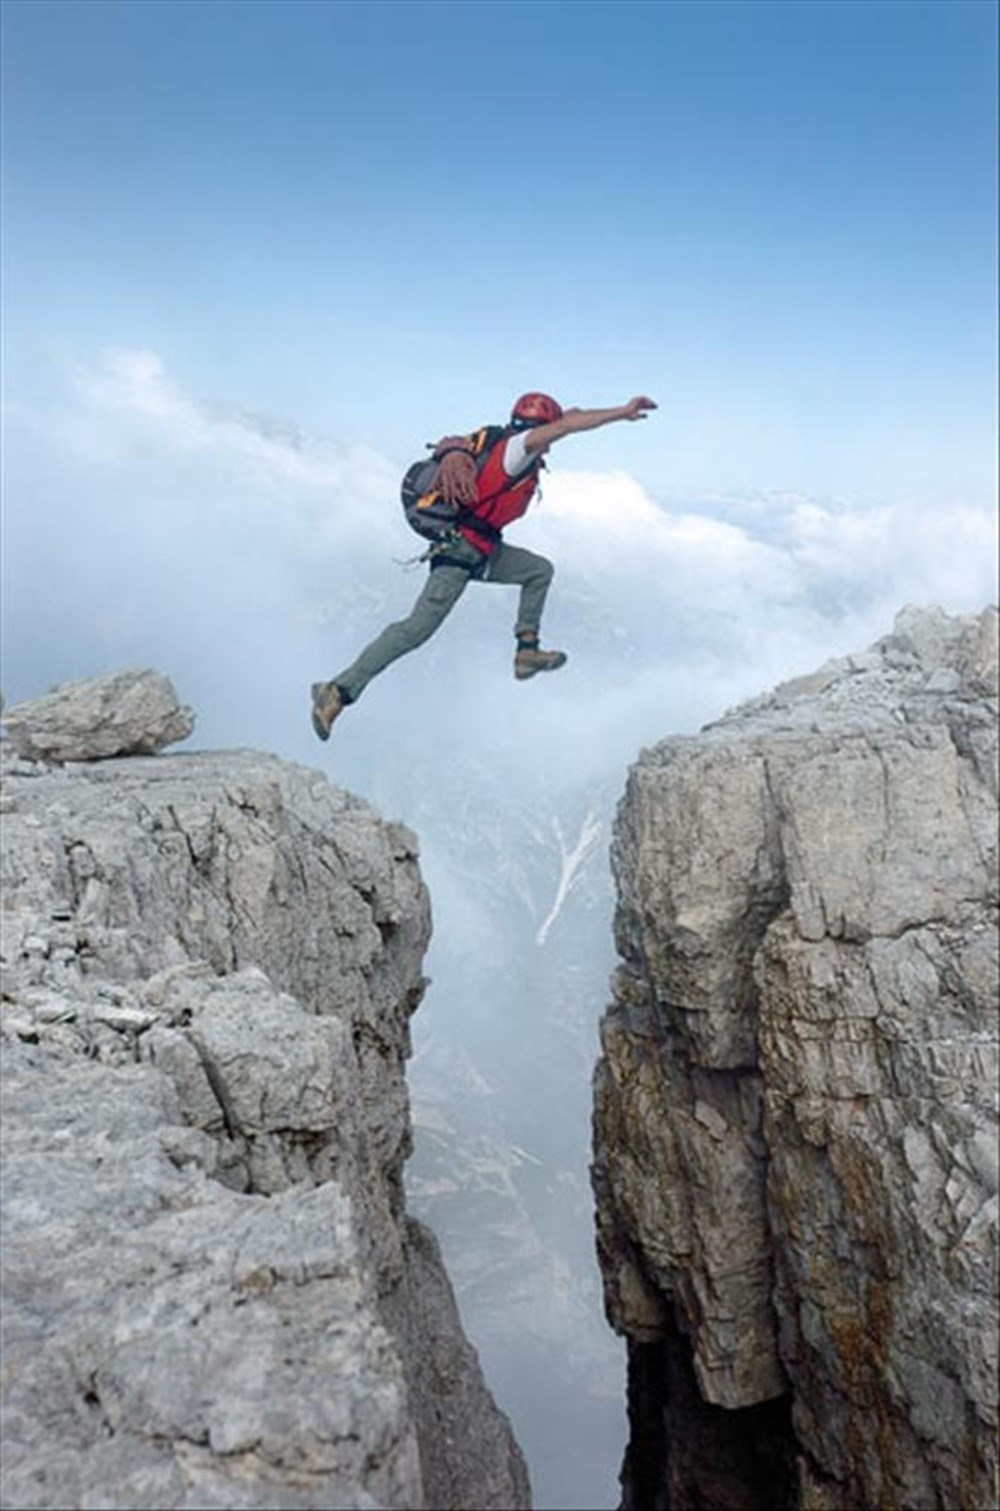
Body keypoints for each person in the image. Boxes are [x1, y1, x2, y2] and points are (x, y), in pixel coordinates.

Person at [311, 391, 657, 740]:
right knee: (415, 630)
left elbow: (571, 415)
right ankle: (338, 690)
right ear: (541, 428)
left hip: (482, 550)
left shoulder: (511, 442)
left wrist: (606, 413)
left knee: (538, 570)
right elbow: (569, 424)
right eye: (550, 434)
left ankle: (527, 652)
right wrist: (622, 413)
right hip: (460, 553)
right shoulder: (519, 449)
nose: (552, 443)